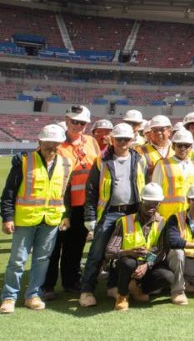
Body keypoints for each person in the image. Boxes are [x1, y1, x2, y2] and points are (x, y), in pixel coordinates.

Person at [1, 124, 73, 314]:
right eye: (48, 142)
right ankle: (9, 297)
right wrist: (7, 217)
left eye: (55, 143)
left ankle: (33, 294)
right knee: (17, 260)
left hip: (51, 220)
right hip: (25, 220)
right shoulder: (24, 161)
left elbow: (65, 193)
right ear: (39, 142)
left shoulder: (66, 164)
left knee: (42, 260)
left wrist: (66, 215)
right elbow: (9, 192)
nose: (52, 146)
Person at [79, 123, 147, 307]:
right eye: (119, 139)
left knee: (124, 253)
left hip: (131, 212)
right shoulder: (101, 160)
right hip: (109, 213)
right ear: (112, 139)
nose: (123, 143)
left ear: (131, 140)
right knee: (97, 253)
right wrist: (90, 216)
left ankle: (113, 286)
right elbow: (91, 190)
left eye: (126, 139)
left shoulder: (139, 159)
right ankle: (86, 290)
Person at [44, 105, 102, 299]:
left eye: (82, 122)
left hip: (84, 205)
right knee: (53, 247)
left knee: (75, 247)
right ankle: (47, 285)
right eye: (74, 121)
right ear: (66, 120)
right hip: (61, 205)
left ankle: (71, 282)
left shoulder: (92, 142)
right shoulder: (57, 142)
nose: (77, 125)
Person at [103, 183, 173, 311]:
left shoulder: (163, 223)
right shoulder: (125, 221)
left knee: (168, 277)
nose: (152, 207)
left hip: (147, 266)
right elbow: (109, 251)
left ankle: (138, 288)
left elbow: (162, 251)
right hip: (128, 266)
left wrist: (147, 265)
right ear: (142, 201)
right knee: (127, 263)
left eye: (155, 203)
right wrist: (128, 252)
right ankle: (122, 295)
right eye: (148, 202)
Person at [150, 129, 194, 219]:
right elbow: (154, 191)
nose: (183, 148)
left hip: (187, 216)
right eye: (180, 145)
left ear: (191, 147)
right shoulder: (162, 164)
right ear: (173, 146)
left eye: (186, 145)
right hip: (166, 216)